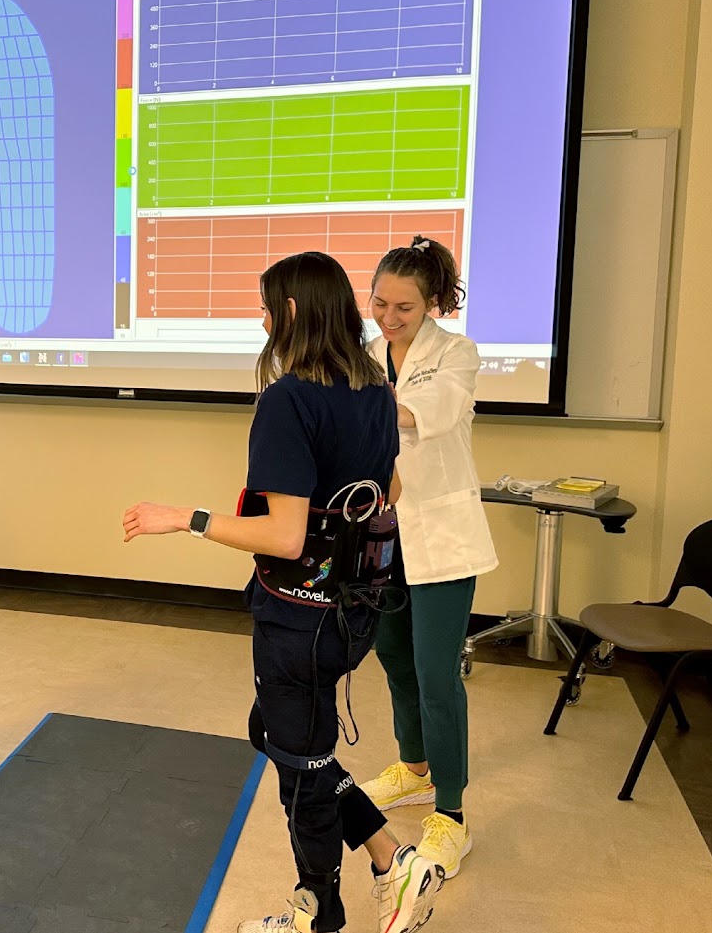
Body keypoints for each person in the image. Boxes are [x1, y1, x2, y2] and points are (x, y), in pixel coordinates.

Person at [123, 251, 444, 933]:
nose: (260, 317)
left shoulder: (289, 398)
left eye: (266, 305)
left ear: (292, 312)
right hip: (355, 612)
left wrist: (185, 518)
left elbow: (286, 537)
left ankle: (317, 915)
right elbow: (389, 491)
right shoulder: (374, 390)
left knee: (300, 767)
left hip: (300, 618)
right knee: (278, 733)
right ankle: (391, 856)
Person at [359, 237, 498, 881]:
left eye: (403, 309)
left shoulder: (457, 355)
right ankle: (414, 768)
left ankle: (452, 813)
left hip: (442, 538)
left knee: (436, 672)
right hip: (384, 537)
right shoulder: (366, 356)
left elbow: (426, 415)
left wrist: (352, 400)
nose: (387, 317)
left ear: (433, 303)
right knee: (391, 655)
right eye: (379, 302)